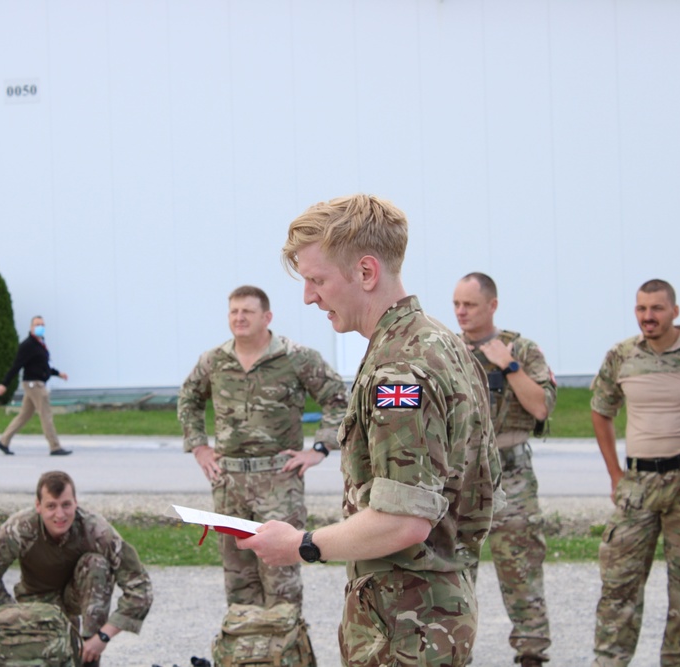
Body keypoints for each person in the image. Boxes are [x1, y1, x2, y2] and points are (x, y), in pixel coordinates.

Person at [237, 194, 501, 667]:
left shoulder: (400, 370)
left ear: (365, 272)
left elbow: (404, 521)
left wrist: (300, 545)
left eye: (317, 280)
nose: (309, 296)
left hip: (405, 628)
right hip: (427, 615)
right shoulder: (442, 342)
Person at [177, 284, 348, 610]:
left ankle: (286, 652)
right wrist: (199, 446)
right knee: (239, 579)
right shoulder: (214, 360)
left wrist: (320, 449)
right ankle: (244, 651)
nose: (239, 318)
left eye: (247, 311)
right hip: (229, 483)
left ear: (266, 316)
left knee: (280, 577)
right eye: (234, 311)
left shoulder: (296, 358)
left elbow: (338, 399)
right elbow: (188, 400)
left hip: (279, 481)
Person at [590, 279, 680, 667]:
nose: (648, 317)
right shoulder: (622, 355)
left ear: (675, 311)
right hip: (637, 484)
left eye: (657, 309)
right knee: (619, 586)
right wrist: (615, 473)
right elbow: (601, 410)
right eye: (641, 309)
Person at [453, 272, 555, 667]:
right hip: (460, 477)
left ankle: (531, 654)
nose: (461, 312)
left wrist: (508, 365)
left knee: (520, 571)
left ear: (492, 306)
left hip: (511, 475)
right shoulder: (445, 348)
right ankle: (456, 654)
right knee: (455, 575)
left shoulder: (522, 349)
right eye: (457, 304)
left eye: (470, 305)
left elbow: (541, 407)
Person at [0, 470, 153, 667]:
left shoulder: (95, 530)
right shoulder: (19, 529)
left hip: (76, 596)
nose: (60, 515)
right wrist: (10, 618)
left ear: (75, 503)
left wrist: (102, 637)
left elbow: (140, 587)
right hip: (36, 602)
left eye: (66, 505)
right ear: (38, 506)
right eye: (51, 506)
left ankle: (89, 657)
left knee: (97, 565)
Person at [0, 315, 71, 456]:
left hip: (37, 382)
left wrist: (58, 373)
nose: (40, 327)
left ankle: (3, 441)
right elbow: (16, 366)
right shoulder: (27, 345)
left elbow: (44, 366)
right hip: (34, 385)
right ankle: (55, 447)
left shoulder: (41, 343)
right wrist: (4, 384)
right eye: (37, 324)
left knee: (24, 415)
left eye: (42, 324)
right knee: (46, 414)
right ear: (31, 327)